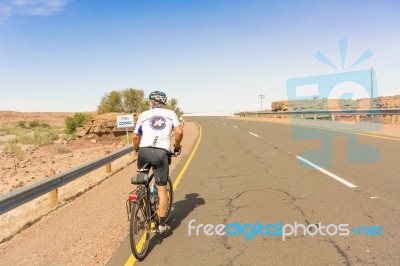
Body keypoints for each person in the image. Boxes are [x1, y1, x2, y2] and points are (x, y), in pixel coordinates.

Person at [133, 90, 183, 233]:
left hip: (144, 151)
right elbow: (179, 132)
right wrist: (177, 146)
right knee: (162, 188)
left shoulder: (144, 115)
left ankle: (141, 204)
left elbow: (136, 137)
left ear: (151, 102)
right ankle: (161, 224)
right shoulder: (170, 114)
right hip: (161, 153)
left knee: (142, 181)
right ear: (164, 102)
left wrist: (136, 150)